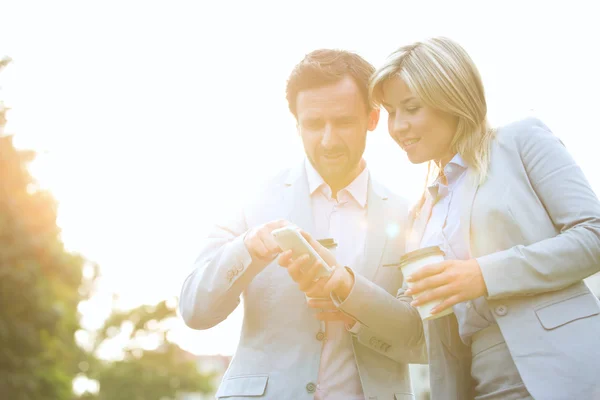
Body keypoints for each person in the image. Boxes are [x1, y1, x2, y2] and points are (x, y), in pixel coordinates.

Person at [179, 49, 425, 400]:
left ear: (372, 118)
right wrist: (248, 249)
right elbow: (194, 310)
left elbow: (421, 341)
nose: (328, 140)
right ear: (296, 125)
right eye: (313, 124)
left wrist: (353, 304)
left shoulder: (410, 214)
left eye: (342, 122)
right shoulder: (251, 200)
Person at [369, 36, 600, 400]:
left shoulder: (520, 142)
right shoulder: (421, 215)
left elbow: (594, 235)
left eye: (410, 108)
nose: (397, 127)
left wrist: (483, 275)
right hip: (480, 386)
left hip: (567, 374)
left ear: (451, 97)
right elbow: (415, 328)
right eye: (390, 112)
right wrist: (342, 292)